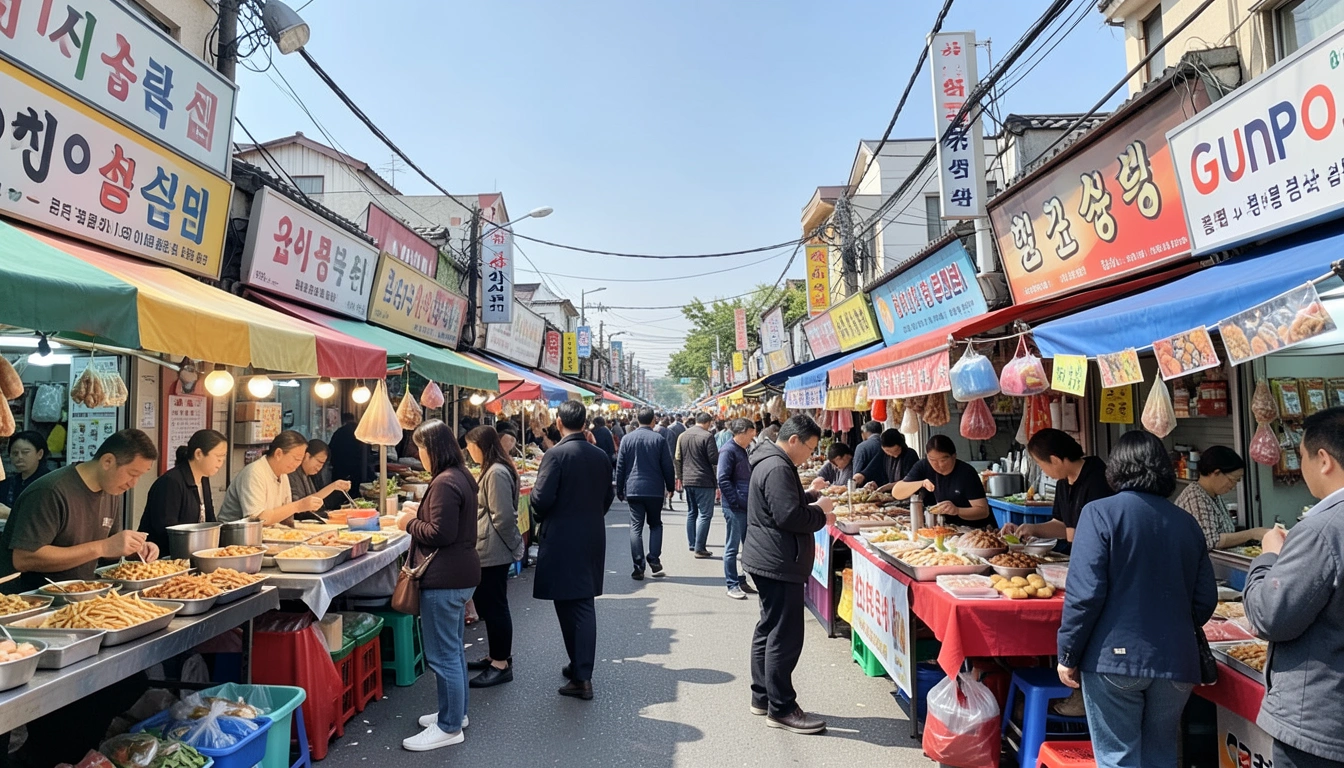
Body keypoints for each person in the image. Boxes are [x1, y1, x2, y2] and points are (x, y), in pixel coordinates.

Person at [0, 430, 161, 766]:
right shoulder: (51, 491)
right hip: (32, 614)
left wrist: (134, 550)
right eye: (132, 474)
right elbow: (24, 557)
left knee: (128, 683)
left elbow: (105, 552)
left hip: (84, 610)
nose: (133, 484)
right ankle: (44, 756)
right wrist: (103, 546)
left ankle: (70, 754)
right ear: (108, 461)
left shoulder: (111, 491)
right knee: (69, 707)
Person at [1057, 430, 1216, 768]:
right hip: (1177, 661)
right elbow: (1205, 600)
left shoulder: (1099, 513)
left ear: (1115, 468)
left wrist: (1068, 653)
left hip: (1113, 658)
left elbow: (1085, 595)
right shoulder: (1187, 523)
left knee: (1119, 759)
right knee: (1161, 756)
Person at [1243, 407, 1344, 768]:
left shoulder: (1322, 529)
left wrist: (1269, 557)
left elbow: (1270, 616)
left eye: (1301, 456)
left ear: (1323, 460)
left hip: (1321, 722)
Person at [744, 415, 837, 735]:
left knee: (769, 628)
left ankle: (762, 696)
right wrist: (820, 513)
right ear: (794, 440)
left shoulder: (772, 461)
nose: (810, 456)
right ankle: (782, 707)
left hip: (769, 556)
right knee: (784, 635)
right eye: (810, 448)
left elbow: (782, 503)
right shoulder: (778, 466)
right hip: (778, 560)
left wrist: (809, 497)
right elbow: (788, 516)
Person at [397, 420, 480, 752]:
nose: (419, 454)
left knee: (443, 655)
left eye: (420, 448)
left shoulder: (445, 481)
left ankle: (449, 727)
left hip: (445, 579)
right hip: (460, 574)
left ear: (433, 449)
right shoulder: (460, 475)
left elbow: (440, 534)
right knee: (453, 651)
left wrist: (407, 522)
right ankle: (455, 714)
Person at [531, 400, 615, 700]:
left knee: (573, 605)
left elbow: (540, 500)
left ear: (558, 422)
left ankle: (583, 677)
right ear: (585, 423)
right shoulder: (599, 455)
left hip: (561, 537)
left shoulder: (555, 455)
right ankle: (578, 665)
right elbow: (608, 496)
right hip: (591, 535)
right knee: (576, 602)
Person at [463, 426, 524, 688]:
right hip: (489, 547)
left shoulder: (496, 472)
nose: (469, 452)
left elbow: (504, 517)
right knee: (490, 605)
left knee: (495, 606)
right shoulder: (492, 469)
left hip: (493, 549)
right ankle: (495, 655)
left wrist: (513, 546)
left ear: (481, 446)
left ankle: (501, 663)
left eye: (471, 447)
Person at [1006, 428, 1114, 551]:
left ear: (1055, 460)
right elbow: (1062, 525)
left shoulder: (1099, 478)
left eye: (1040, 464)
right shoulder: (1063, 482)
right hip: (1074, 553)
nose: (1042, 470)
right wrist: (1031, 529)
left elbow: (1099, 531)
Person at [139, 429, 227, 553]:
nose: (221, 463)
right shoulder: (171, 482)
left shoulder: (203, 479)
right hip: (162, 556)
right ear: (198, 454)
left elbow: (210, 521)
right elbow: (166, 530)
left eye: (223, 458)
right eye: (218, 457)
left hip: (195, 552)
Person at [615, 407, 675, 580]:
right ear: (653, 420)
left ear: (637, 419)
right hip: (654, 489)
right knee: (655, 524)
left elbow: (620, 466)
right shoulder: (659, 439)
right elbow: (667, 466)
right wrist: (670, 486)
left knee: (636, 527)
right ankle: (654, 558)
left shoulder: (627, 439)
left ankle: (638, 566)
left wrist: (620, 489)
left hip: (633, 489)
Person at [217, 431, 326, 525]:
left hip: (267, 534)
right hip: (235, 536)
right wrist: (298, 506)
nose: (298, 464)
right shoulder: (254, 472)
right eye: (296, 459)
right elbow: (258, 519)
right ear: (278, 454)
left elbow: (285, 516)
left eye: (300, 460)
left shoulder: (283, 474)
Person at [1176, 446, 1266, 552]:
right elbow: (1211, 541)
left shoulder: (1213, 495)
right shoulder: (1195, 497)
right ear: (1216, 472)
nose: (1233, 486)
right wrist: (1252, 534)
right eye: (1232, 480)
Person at [891, 435, 991, 528]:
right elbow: (897, 492)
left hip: (973, 528)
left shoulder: (966, 472)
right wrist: (921, 483)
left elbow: (983, 511)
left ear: (954, 456)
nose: (939, 465)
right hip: (946, 527)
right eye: (932, 460)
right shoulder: (923, 466)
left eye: (943, 460)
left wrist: (957, 510)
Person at [717, 418, 757, 599]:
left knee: (746, 546)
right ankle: (732, 584)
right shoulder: (728, 450)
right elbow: (723, 478)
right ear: (742, 433)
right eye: (750, 434)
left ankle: (741, 580)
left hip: (745, 505)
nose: (752, 438)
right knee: (732, 547)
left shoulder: (742, 449)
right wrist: (735, 500)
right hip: (735, 507)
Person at [676, 413, 721, 558]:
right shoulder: (707, 436)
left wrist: (680, 477)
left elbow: (677, 458)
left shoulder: (683, 436)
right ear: (708, 423)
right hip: (704, 480)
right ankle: (700, 548)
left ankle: (692, 543)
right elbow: (714, 459)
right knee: (705, 514)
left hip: (688, 479)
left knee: (692, 512)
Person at [327, 412, 374, 508]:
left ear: (343, 421)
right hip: (362, 471)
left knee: (345, 499)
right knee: (359, 500)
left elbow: (331, 450)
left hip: (342, 471)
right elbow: (368, 451)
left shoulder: (339, 433)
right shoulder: (362, 432)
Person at [287, 439, 353, 507]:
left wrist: (336, 486)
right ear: (307, 456)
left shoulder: (310, 476)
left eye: (323, 464)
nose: (320, 467)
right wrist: (334, 486)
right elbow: (300, 505)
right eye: (319, 462)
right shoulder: (291, 474)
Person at [0, 431, 51, 515]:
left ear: (40, 454)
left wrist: (9, 514)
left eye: (25, 452)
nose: (19, 457)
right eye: (15, 453)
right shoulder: (6, 485)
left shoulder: (50, 483)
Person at [849, 421, 885, 486]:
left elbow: (857, 475)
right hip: (889, 485)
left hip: (868, 487)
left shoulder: (862, 447)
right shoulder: (887, 445)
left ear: (865, 432)